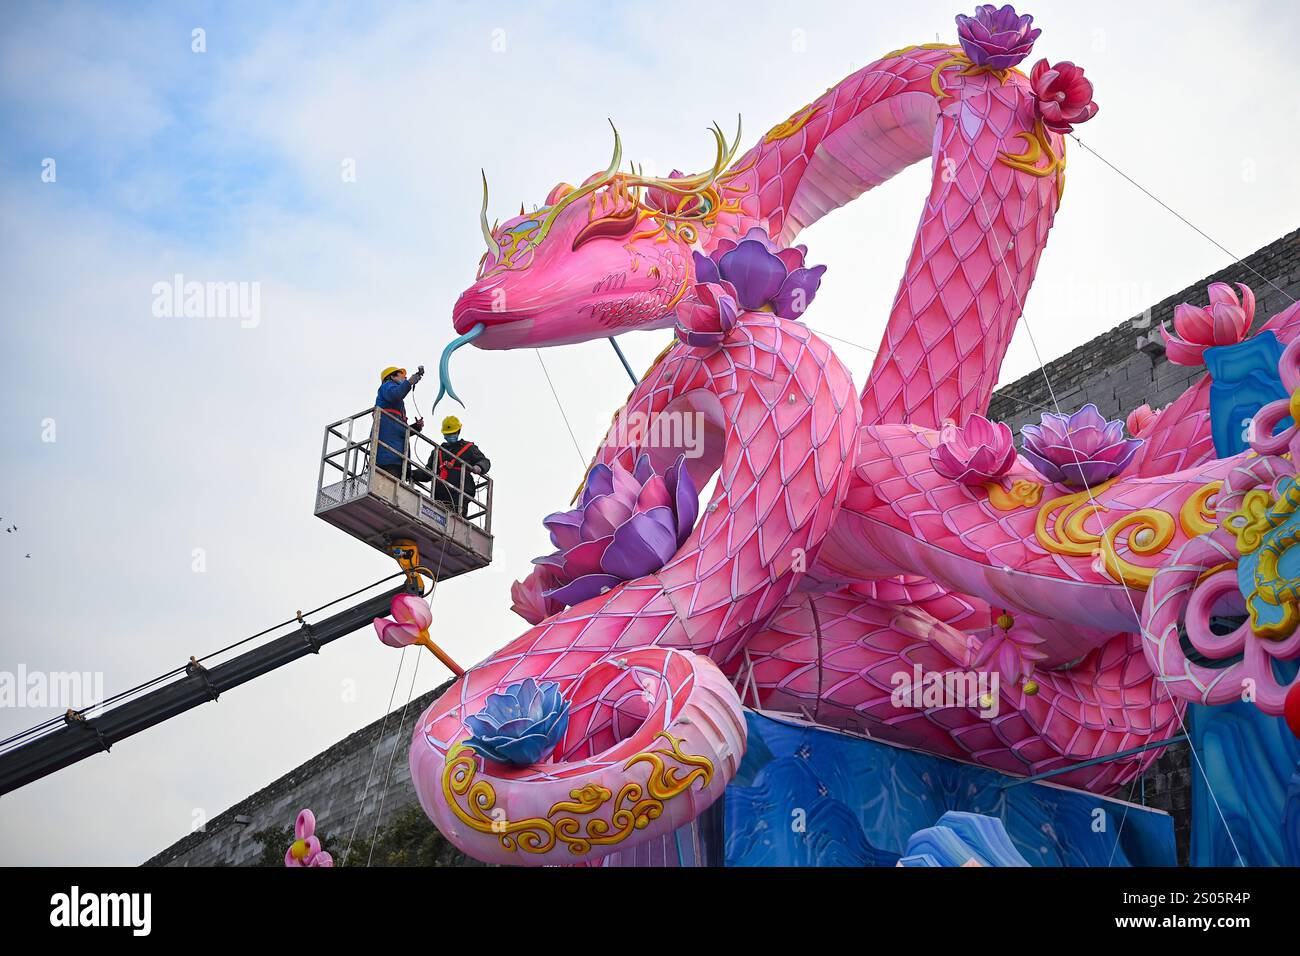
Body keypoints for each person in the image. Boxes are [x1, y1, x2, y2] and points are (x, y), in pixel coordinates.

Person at [374, 365, 432, 483]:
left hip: (397, 458)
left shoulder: (395, 411)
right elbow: (396, 393)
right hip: (388, 458)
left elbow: (399, 432)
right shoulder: (386, 387)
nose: (405, 377)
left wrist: (416, 427)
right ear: (392, 376)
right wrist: (410, 382)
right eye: (402, 375)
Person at [429, 415, 490, 517]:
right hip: (441, 492)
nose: (451, 435)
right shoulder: (438, 451)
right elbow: (427, 471)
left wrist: (479, 467)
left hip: (460, 493)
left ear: (458, 431)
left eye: (453, 433)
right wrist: (412, 473)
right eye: (448, 434)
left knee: (457, 520)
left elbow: (485, 461)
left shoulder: (469, 448)